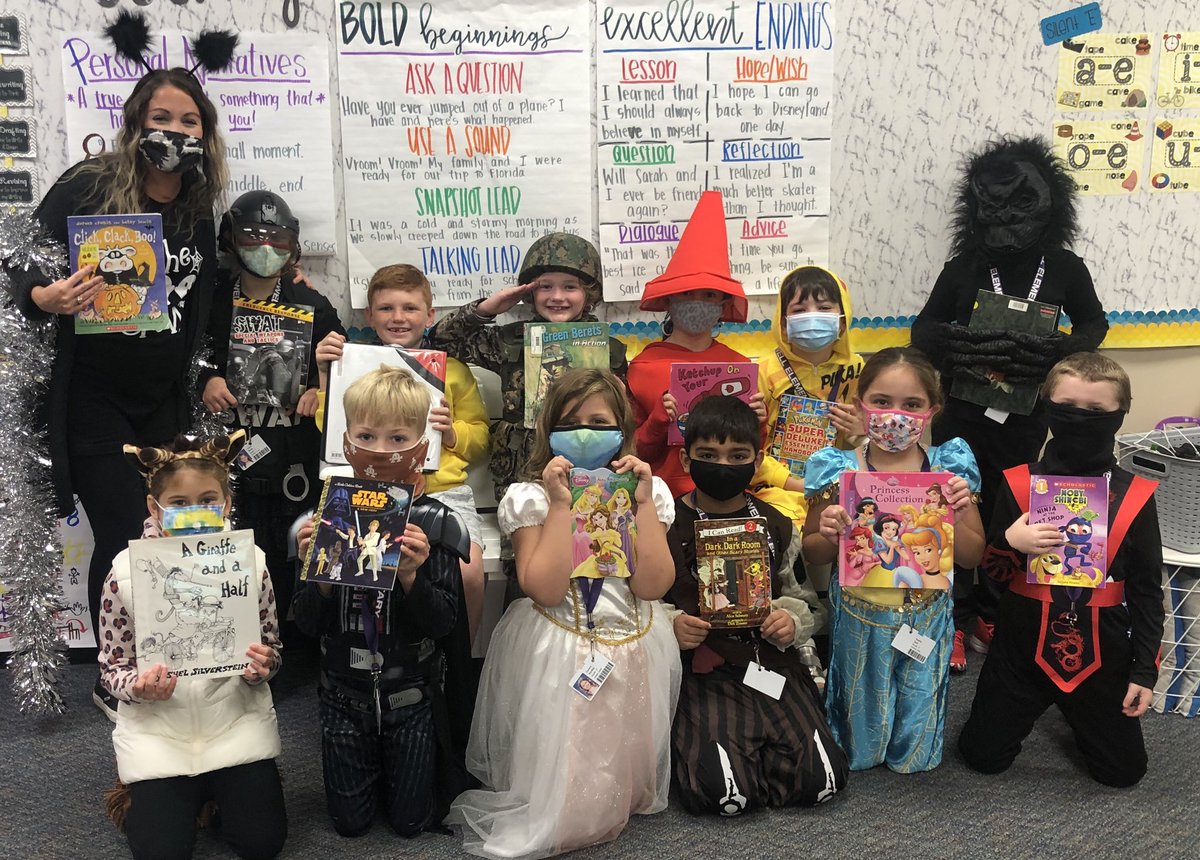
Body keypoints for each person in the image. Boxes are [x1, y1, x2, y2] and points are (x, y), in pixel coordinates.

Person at [3, 62, 228, 714]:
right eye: (162, 118)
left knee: (168, 532)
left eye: (189, 121)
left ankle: (166, 659)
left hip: (165, 399)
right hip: (94, 398)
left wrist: (211, 368)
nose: (175, 131)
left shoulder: (196, 203)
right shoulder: (89, 185)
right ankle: (114, 676)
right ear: (136, 122)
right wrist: (44, 295)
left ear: (205, 133)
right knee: (127, 532)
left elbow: (208, 298)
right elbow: (20, 257)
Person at [447, 368, 680, 859]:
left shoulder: (648, 492)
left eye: (599, 423)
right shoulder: (531, 497)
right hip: (563, 638)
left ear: (621, 429)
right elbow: (544, 589)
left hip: (632, 635)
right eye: (571, 423)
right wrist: (560, 506)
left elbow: (653, 585)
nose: (585, 433)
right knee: (564, 753)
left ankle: (615, 792)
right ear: (549, 430)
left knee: (623, 740)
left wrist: (640, 505)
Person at [910, 136, 1109, 670]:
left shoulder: (1064, 267)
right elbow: (923, 330)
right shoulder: (964, 267)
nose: (1005, 219)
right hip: (961, 416)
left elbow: (1094, 324)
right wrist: (961, 346)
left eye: (1018, 204)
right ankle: (953, 617)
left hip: (1025, 417)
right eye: (992, 206)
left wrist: (1057, 351)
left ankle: (993, 612)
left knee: (1013, 509)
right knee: (952, 509)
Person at [959, 352, 1162, 787]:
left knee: (1123, 774)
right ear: (1047, 407)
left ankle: (1079, 712)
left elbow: (1147, 590)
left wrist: (1144, 670)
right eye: (1067, 407)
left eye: (1095, 410)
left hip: (1102, 650)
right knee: (981, 757)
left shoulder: (1136, 496)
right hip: (1020, 646)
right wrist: (1009, 544)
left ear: (1120, 414)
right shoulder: (1018, 483)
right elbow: (991, 575)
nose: (1079, 419)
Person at [293, 365, 471, 837]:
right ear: (346, 440)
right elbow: (306, 624)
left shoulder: (434, 524)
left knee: (412, 822)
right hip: (342, 693)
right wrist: (320, 574)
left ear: (421, 445)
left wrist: (412, 577)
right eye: (366, 436)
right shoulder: (325, 518)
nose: (379, 449)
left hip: (409, 694)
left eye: (397, 438)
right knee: (350, 824)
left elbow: (445, 625)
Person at [100, 430, 286, 860]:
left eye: (207, 499)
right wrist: (137, 688)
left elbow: (271, 644)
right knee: (160, 852)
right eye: (179, 503)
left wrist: (264, 666)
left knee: (261, 845)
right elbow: (112, 667)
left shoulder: (251, 562)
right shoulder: (124, 572)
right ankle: (160, 795)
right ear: (155, 507)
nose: (195, 511)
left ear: (227, 503)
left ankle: (223, 793)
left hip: (234, 724)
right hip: (159, 733)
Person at [803, 347, 984, 773]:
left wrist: (958, 512)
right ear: (859, 405)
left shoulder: (948, 466)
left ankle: (911, 750)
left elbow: (973, 555)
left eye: (912, 404)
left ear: (933, 410)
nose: (895, 416)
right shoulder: (837, 468)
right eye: (882, 401)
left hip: (927, 615)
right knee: (858, 730)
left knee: (916, 728)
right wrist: (828, 532)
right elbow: (813, 552)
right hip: (859, 614)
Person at [665, 396, 847, 815]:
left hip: (770, 661)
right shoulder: (665, 526)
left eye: (737, 456)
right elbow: (642, 603)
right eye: (708, 455)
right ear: (686, 459)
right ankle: (739, 748)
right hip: (703, 668)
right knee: (724, 794)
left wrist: (791, 620)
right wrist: (670, 624)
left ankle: (765, 743)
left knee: (821, 782)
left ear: (757, 460)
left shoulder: (777, 524)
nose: (723, 465)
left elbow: (808, 602)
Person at [315, 264, 488, 645]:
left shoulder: (454, 372)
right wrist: (327, 377)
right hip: (367, 490)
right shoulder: (353, 365)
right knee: (335, 562)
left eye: (410, 308)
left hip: (441, 491)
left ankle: (459, 661)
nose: (398, 317)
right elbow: (330, 434)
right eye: (386, 308)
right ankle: (353, 652)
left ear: (429, 315)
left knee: (469, 572)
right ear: (369, 315)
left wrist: (452, 432)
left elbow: (481, 441)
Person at [201, 191, 344, 641]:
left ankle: (293, 644)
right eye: (253, 237)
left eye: (277, 239)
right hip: (232, 452)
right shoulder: (212, 300)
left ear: (292, 245)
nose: (265, 248)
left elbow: (343, 362)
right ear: (231, 239)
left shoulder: (312, 302)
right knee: (235, 556)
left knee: (290, 554)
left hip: (292, 459)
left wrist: (320, 388)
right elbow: (186, 356)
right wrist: (206, 379)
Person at [428, 233, 626, 506]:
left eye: (570, 287)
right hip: (522, 476)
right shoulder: (509, 341)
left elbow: (621, 424)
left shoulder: (608, 351)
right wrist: (487, 308)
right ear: (530, 292)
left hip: (589, 477)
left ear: (589, 293)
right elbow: (440, 341)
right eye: (545, 286)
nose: (557, 296)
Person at [626, 191, 763, 497]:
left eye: (709, 295)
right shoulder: (643, 367)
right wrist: (658, 420)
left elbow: (753, 456)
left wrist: (759, 422)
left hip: (728, 496)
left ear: (723, 304)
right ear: (669, 300)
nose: (697, 302)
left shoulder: (739, 367)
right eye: (687, 293)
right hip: (661, 498)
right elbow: (632, 451)